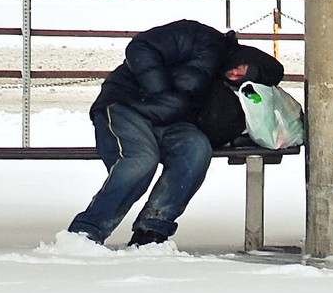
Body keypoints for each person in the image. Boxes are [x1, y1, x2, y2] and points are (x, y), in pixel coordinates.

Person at [68, 19, 284, 247]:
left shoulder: (223, 91)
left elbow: (211, 129)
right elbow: (141, 47)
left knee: (197, 149)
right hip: (127, 104)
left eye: (245, 77)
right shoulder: (201, 38)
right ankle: (87, 231)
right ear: (245, 55)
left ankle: (152, 229)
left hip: (171, 125)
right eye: (245, 66)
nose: (236, 73)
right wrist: (161, 92)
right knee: (141, 161)